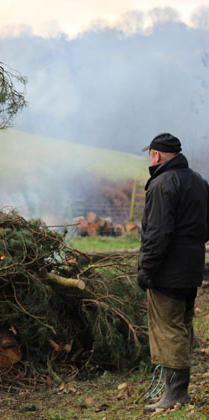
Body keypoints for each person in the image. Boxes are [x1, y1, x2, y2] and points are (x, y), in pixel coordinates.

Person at [137, 133, 209, 413]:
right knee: (182, 325)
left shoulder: (162, 183)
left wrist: (147, 269)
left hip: (167, 272)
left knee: (169, 330)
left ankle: (175, 396)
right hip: (192, 270)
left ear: (155, 155)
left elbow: (157, 233)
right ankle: (175, 392)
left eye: (149, 155)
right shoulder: (199, 181)